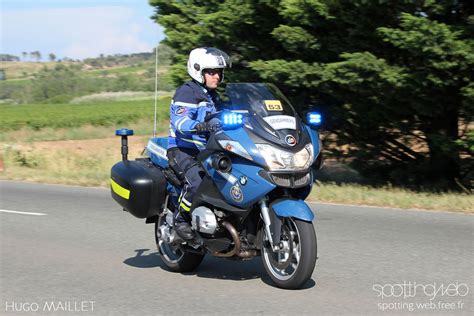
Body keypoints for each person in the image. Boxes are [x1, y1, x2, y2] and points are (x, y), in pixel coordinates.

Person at [167, 47, 231, 240]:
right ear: (198, 70)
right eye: (211, 72)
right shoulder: (187, 93)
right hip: (183, 150)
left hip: (209, 150)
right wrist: (199, 126)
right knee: (198, 182)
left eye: (218, 72)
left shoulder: (213, 96)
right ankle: (181, 219)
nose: (217, 76)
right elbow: (180, 121)